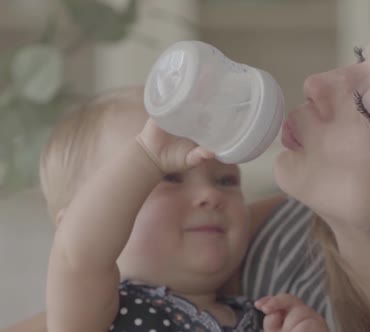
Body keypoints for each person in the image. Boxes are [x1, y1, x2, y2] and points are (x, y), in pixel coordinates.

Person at [5, 0, 370, 331]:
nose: (319, 82)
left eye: (367, 100)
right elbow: (83, 275)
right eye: (363, 56)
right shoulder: (267, 238)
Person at [35, 87, 329, 332]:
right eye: (168, 177)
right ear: (70, 222)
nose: (210, 195)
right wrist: (146, 156)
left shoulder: (266, 317)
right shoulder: (91, 314)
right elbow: (79, 255)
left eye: (226, 180)